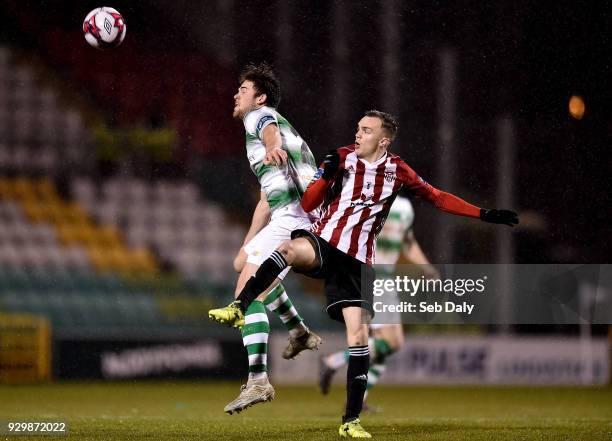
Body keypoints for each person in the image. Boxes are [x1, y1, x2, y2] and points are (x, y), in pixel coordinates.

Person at [210, 110, 518, 437]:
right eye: (358, 128)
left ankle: (350, 421)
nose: (357, 135)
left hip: (356, 262)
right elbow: (313, 202)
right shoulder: (343, 157)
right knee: (286, 249)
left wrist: (485, 214)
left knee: (358, 338)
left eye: (366, 131)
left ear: (383, 140)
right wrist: (324, 175)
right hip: (323, 243)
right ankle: (239, 307)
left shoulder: (398, 171)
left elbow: (438, 198)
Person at [209, 63, 322, 415]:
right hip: (287, 212)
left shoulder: (259, 117)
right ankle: (299, 331)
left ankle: (258, 380)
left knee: (248, 292)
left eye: (242, 89)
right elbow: (264, 199)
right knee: (244, 264)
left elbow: (268, 130)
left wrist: (272, 145)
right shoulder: (261, 137)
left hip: (296, 215)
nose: (235, 93)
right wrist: (247, 242)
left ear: (258, 97)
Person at [318, 196, 439, 412]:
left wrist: (426, 267)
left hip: (386, 278)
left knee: (392, 344)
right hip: (370, 275)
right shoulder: (371, 196)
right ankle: (334, 362)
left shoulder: (406, 206)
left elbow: (408, 242)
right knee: (389, 342)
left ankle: (354, 393)